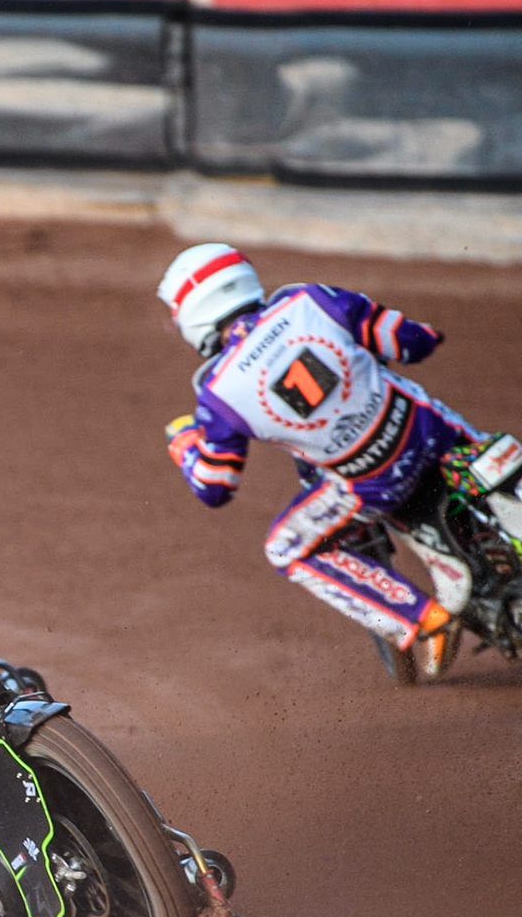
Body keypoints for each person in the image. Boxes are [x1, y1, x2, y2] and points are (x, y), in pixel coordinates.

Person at [156, 243, 488, 675]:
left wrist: (183, 442)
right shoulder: (312, 301)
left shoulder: (217, 393)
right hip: (436, 432)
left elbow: (215, 487)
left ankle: (422, 619)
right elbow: (413, 342)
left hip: (373, 483)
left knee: (286, 547)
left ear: (192, 313)